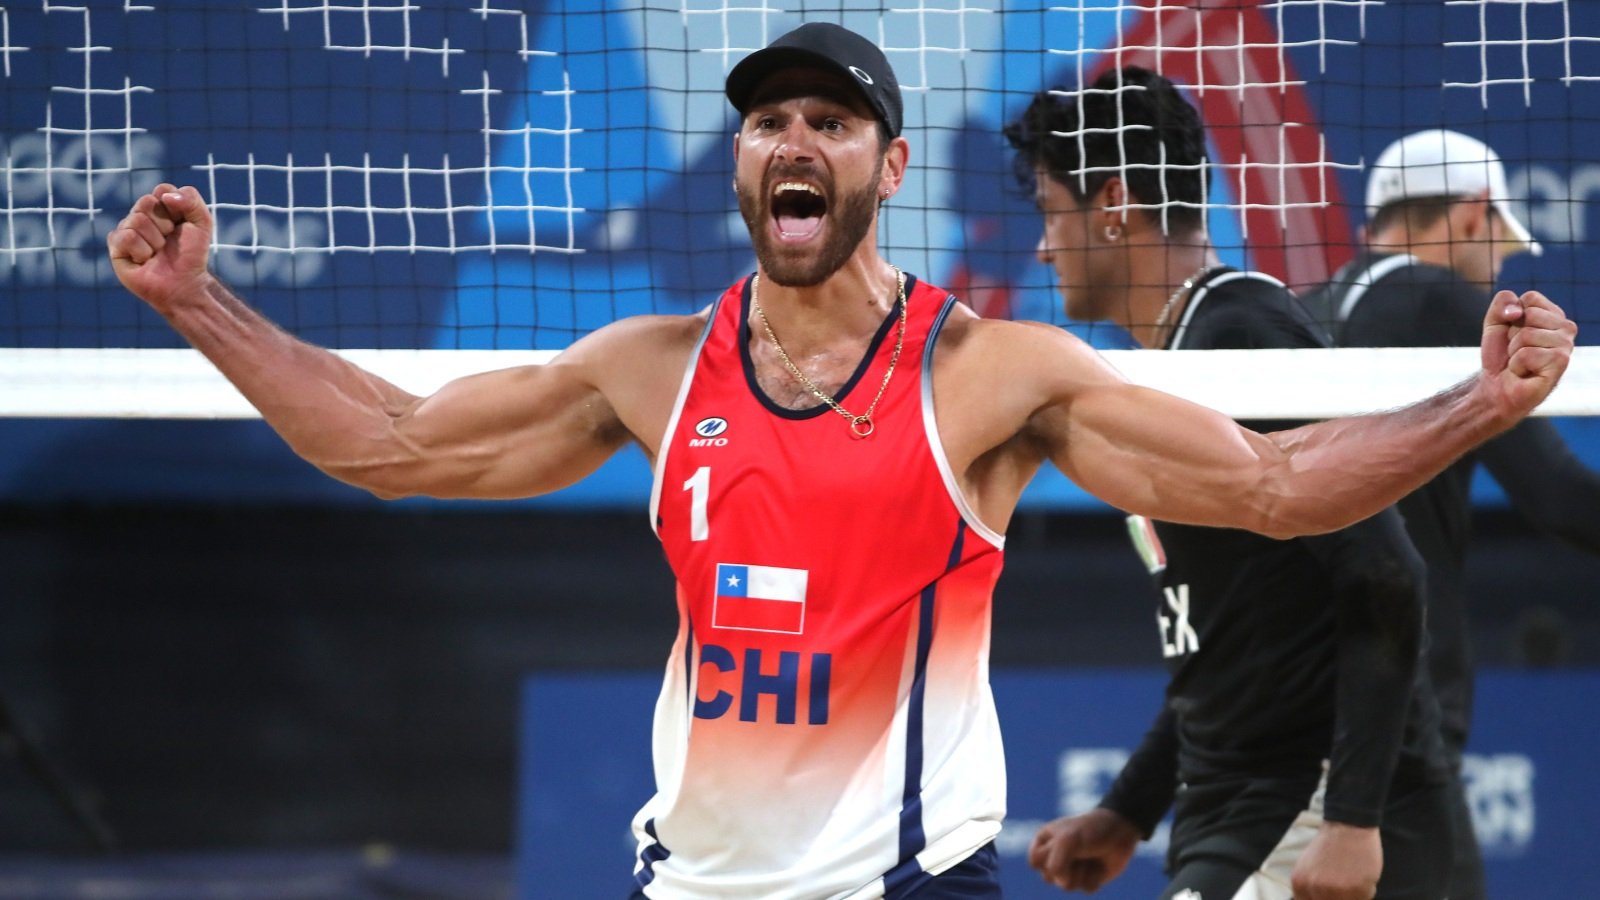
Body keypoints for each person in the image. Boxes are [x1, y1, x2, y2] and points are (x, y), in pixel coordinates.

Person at [106, 21, 1574, 900]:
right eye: (766, 121)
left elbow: (1277, 489)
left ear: (887, 164)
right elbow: (389, 444)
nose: (791, 140)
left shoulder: (992, 374)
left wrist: (1480, 410)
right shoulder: (652, 365)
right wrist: (197, 304)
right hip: (691, 878)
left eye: (830, 120)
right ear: (742, 163)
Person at [1003, 67, 1455, 900]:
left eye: (1048, 213)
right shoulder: (1176, 360)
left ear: (1112, 207)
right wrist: (1129, 809)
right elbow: (1229, 647)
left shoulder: (1241, 332)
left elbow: (1386, 571)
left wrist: (1351, 821)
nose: (1041, 245)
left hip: (1303, 806)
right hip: (1232, 807)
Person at [1300, 127, 1600, 900]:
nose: (1497, 267)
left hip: (1288, 699)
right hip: (1397, 714)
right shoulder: (1441, 300)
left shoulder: (1307, 309)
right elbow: (1562, 499)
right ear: (1473, 216)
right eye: (1497, 243)